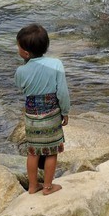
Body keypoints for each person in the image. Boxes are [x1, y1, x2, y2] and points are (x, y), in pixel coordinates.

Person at [14, 23, 70, 195]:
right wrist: (65, 111)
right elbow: (62, 92)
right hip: (52, 115)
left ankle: (32, 186)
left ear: (25, 53)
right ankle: (47, 187)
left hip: (32, 116)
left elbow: (21, 88)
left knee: (33, 151)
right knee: (51, 152)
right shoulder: (56, 64)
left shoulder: (21, 71)